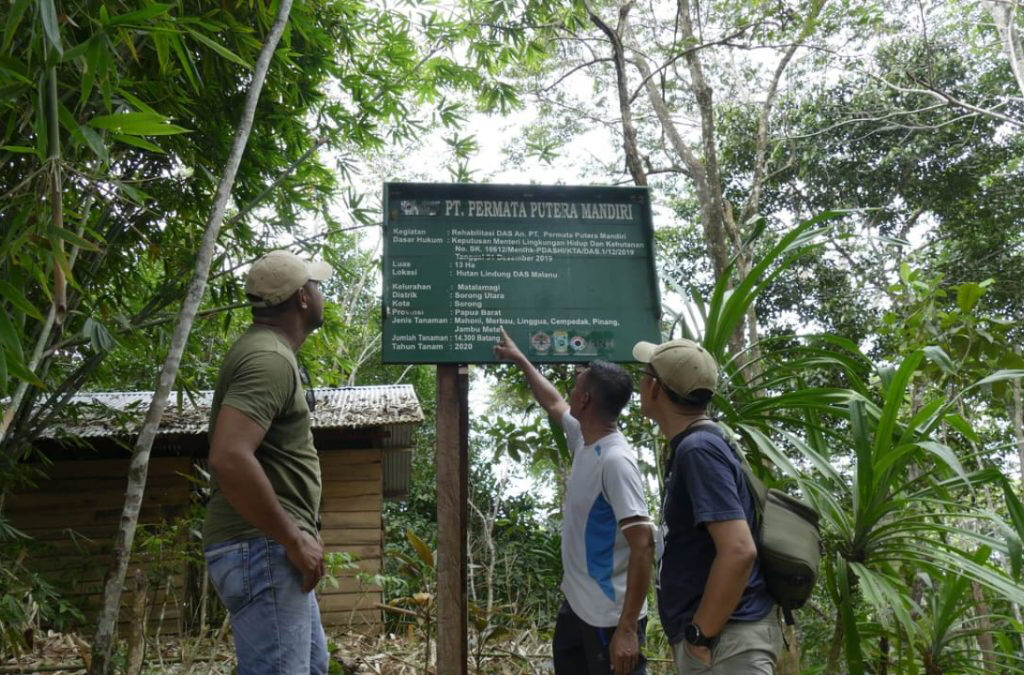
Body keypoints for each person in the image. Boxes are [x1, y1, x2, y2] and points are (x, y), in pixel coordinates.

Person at [202, 250, 333, 674]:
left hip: (265, 547)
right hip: (262, 548)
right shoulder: (269, 360)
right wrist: (293, 539)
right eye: (315, 285)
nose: (320, 291)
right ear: (301, 298)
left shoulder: (270, 352)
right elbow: (228, 456)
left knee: (313, 666)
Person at [494, 327, 654, 675]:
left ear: (585, 401)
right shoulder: (585, 437)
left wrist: (627, 630)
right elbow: (552, 401)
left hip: (609, 619)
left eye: (577, 385)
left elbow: (643, 546)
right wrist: (522, 359)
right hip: (578, 606)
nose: (570, 390)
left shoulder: (615, 461)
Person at [632, 338, 782, 674]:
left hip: (727, 643)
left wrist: (700, 635)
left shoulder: (698, 450)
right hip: (724, 641)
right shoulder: (698, 444)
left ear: (654, 387)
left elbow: (739, 550)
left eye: (645, 374)